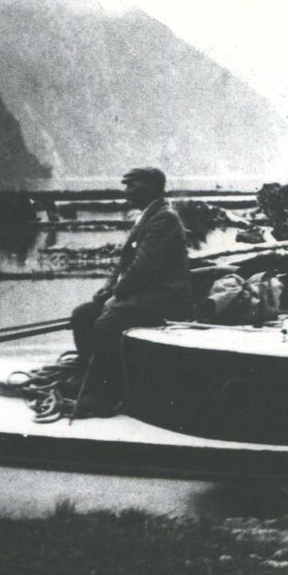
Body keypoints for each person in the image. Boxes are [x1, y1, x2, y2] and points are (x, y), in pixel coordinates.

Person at [66, 167, 192, 417]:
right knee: (82, 315)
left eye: (132, 185)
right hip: (145, 295)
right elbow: (125, 263)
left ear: (152, 187)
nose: (126, 191)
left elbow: (144, 267)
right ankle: (87, 379)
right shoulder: (149, 216)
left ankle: (107, 395)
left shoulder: (164, 219)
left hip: (164, 298)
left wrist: (118, 296)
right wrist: (108, 289)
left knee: (106, 325)